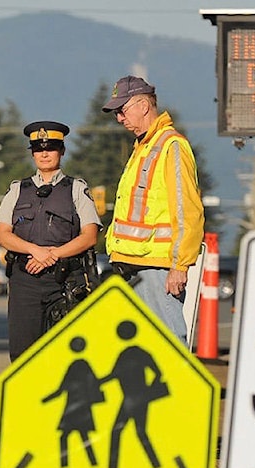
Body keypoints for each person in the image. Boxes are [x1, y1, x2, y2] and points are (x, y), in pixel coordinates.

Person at [101, 75, 204, 343]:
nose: (119, 119)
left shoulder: (171, 146)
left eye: (122, 111)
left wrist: (179, 266)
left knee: (167, 342)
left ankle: (179, 386)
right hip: (133, 265)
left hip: (156, 268)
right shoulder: (143, 147)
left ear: (143, 105)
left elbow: (187, 210)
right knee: (139, 346)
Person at [0, 121, 101, 361]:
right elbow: (2, 235)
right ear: (32, 153)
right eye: (38, 149)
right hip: (25, 283)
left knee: (66, 356)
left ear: (62, 151)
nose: (44, 153)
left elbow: (89, 236)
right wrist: (35, 251)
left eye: (51, 148)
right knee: (23, 356)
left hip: (64, 283)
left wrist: (52, 255)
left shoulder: (76, 189)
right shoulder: (17, 190)